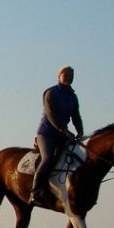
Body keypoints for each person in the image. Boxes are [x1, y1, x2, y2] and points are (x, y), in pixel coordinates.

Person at [31, 65, 84, 205]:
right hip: (47, 133)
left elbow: (76, 115)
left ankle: (60, 188)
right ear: (59, 76)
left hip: (62, 134)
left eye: (71, 76)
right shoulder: (51, 93)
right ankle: (35, 191)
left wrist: (80, 130)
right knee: (48, 158)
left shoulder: (73, 97)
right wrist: (63, 130)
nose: (68, 78)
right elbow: (50, 114)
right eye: (65, 75)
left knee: (71, 157)